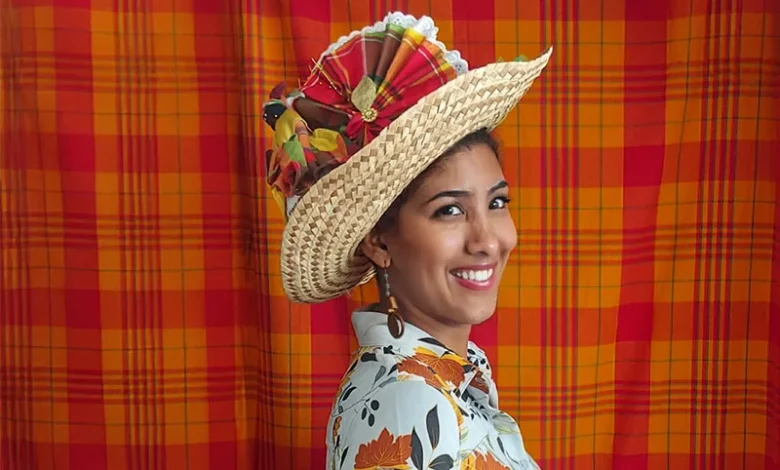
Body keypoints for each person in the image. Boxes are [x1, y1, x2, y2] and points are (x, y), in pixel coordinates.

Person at [261, 11, 552, 470]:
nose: (488, 241)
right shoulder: (411, 402)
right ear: (378, 241)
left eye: (497, 203)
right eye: (449, 210)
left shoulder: (430, 377)